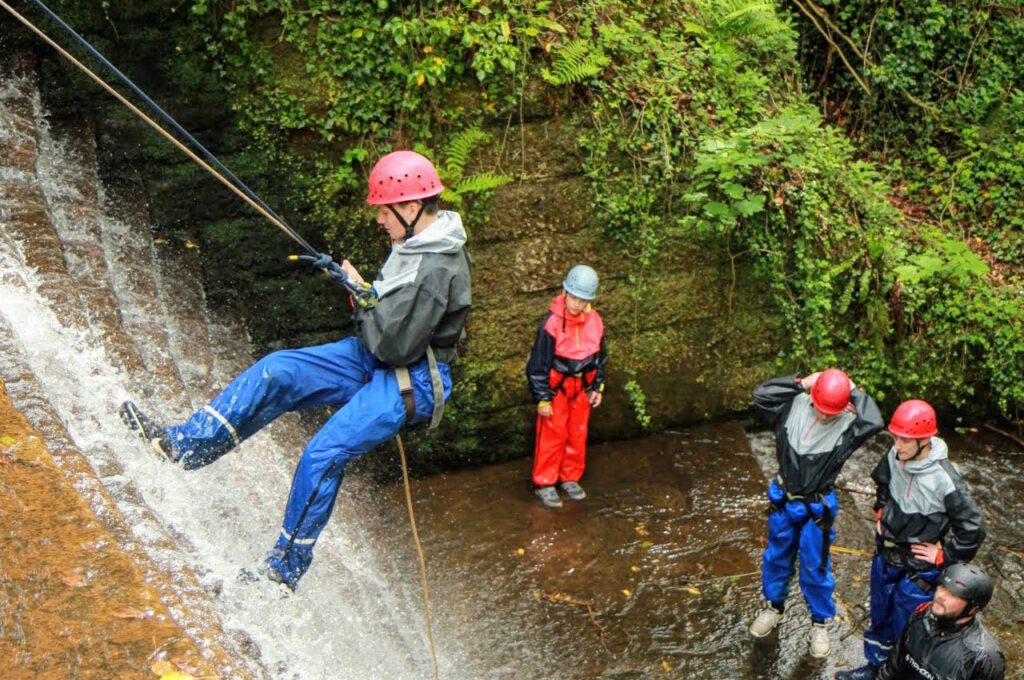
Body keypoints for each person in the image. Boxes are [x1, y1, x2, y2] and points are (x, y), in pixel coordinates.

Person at [120, 150, 472, 589]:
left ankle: (281, 574)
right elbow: (386, 318)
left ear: (410, 206)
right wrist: (360, 290)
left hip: (409, 379)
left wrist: (359, 294)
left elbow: (394, 345)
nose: (379, 220)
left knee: (322, 456)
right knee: (278, 371)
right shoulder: (416, 243)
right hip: (377, 356)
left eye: (384, 211)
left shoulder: (437, 269)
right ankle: (185, 445)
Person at [837, 399, 986, 680]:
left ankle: (897, 674)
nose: (897, 446)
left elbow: (973, 528)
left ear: (924, 440)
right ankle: (874, 669)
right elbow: (882, 482)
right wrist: (880, 509)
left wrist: (944, 557)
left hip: (919, 566)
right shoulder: (895, 457)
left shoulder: (945, 479)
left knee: (907, 625)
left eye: (905, 440)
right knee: (880, 614)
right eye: (895, 438)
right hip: (886, 555)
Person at [748, 369, 884, 659]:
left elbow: (874, 421)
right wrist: (801, 383)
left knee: (814, 566)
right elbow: (760, 396)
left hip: (816, 508)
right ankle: (774, 608)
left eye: (830, 413)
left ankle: (819, 623)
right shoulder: (793, 404)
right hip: (784, 501)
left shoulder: (847, 426)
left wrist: (853, 390)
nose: (824, 417)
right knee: (776, 557)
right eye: (821, 410)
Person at [525, 264, 607, 509]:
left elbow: (600, 357)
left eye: (583, 300)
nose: (576, 304)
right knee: (552, 435)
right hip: (556, 388)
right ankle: (545, 482)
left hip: (581, 387)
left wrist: (597, 387)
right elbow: (537, 364)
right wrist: (542, 399)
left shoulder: (595, 322)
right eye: (573, 297)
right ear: (565, 292)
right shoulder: (551, 324)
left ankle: (570, 477)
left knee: (577, 433)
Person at [858, 562, 1005, 680]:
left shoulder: (983, 658)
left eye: (953, 594)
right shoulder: (921, 615)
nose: (941, 595)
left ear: (973, 608)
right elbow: (893, 666)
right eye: (942, 586)